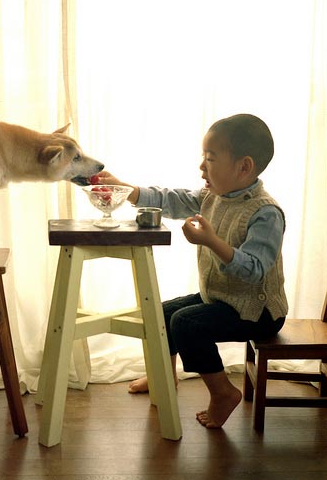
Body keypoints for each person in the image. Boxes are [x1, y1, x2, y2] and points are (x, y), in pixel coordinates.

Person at [96, 113, 288, 428]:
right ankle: (163, 375)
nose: (201, 166)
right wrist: (126, 189)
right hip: (222, 299)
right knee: (159, 313)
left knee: (186, 324)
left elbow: (255, 270)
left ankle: (223, 392)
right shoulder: (213, 196)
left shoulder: (265, 213)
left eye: (210, 159)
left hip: (258, 311)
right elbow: (171, 199)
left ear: (244, 167)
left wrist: (212, 242)